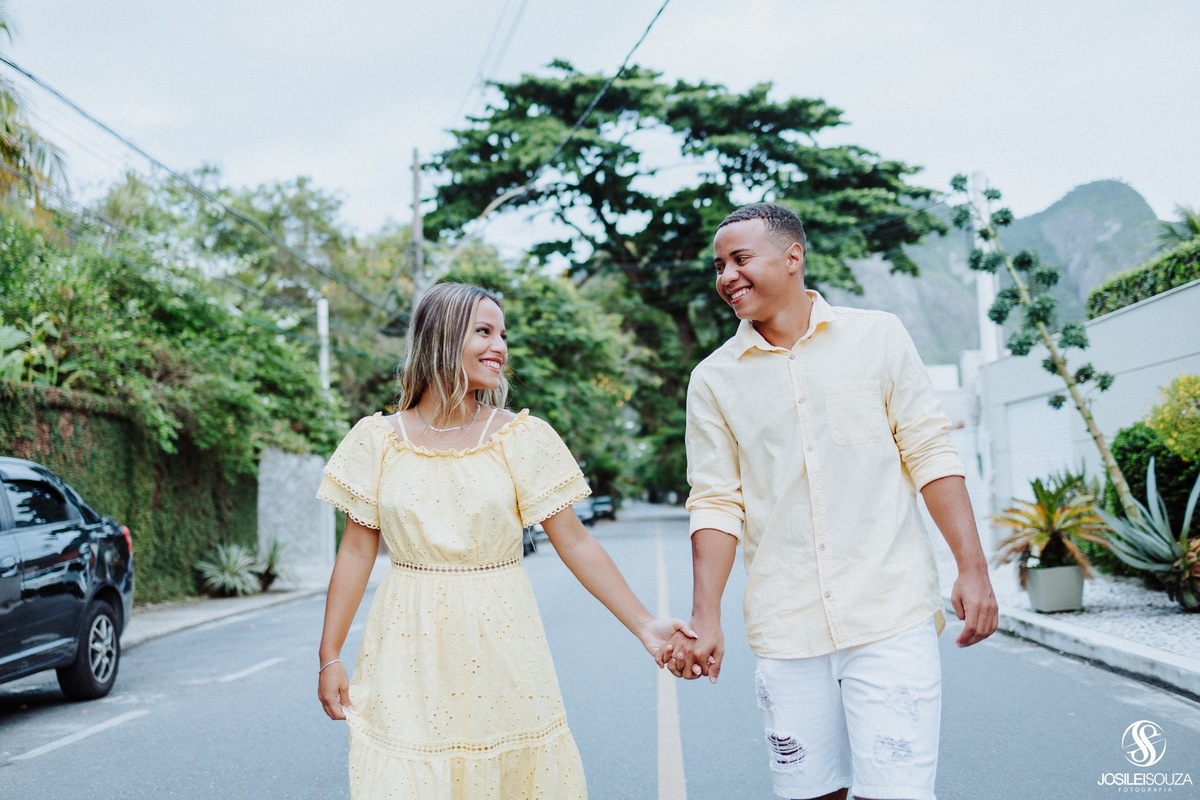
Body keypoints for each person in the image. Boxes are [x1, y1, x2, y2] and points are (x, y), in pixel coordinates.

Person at [661, 203, 998, 800]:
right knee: (806, 793)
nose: (726, 277)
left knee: (897, 792)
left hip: (889, 611)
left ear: (793, 257)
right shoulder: (714, 379)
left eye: (740, 259)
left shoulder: (879, 337)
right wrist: (705, 613)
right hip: (785, 625)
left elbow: (929, 453)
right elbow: (715, 501)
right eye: (718, 266)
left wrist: (972, 568)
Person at [316, 282, 692, 799]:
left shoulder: (520, 436)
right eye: (484, 332)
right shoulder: (376, 440)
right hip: (406, 640)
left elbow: (576, 543)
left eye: (502, 334)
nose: (500, 346)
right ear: (441, 339)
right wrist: (330, 654)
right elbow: (357, 551)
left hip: (502, 636)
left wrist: (647, 626)